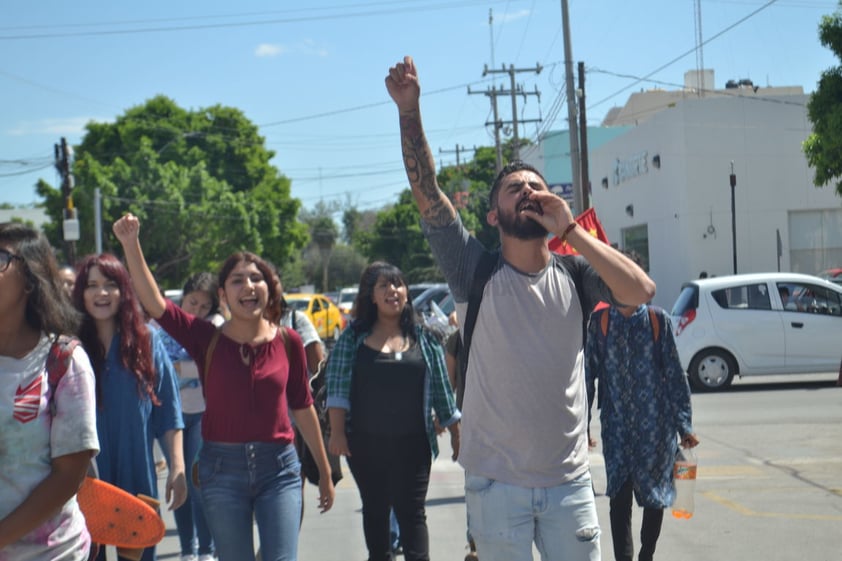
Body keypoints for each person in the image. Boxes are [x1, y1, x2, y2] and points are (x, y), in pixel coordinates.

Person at [385, 56, 656, 561]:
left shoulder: (576, 275)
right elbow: (427, 194)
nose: (529, 191)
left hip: (569, 484)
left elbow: (640, 291)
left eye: (536, 185)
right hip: (495, 487)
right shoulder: (474, 270)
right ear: (494, 215)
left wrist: (571, 231)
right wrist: (409, 109)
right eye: (515, 189)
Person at [113, 213, 335, 561]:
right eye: (237, 280)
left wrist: (324, 472)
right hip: (221, 471)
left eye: (256, 278)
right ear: (223, 294)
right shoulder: (206, 338)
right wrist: (131, 243)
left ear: (269, 287)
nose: (248, 286)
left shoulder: (289, 341)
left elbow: (302, 406)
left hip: (280, 470)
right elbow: (155, 303)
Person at [326, 261, 460, 561]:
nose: (393, 291)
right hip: (365, 446)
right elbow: (337, 389)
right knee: (375, 512)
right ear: (371, 296)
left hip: (414, 446)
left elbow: (441, 388)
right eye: (384, 286)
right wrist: (336, 434)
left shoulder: (424, 338)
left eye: (398, 284)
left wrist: (455, 432)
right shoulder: (352, 338)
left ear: (407, 294)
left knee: (413, 514)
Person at [72, 253, 187, 561]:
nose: (101, 293)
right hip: (84, 482)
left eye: (110, 284)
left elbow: (169, 413)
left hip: (138, 480)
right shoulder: (68, 346)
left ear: (124, 290)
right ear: (80, 293)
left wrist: (177, 466)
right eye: (92, 285)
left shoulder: (147, 341)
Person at [0, 223, 99, 560]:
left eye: (0, 258)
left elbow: (68, 477)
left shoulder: (64, 362)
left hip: (53, 552)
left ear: (30, 279)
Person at [585, 304, 699, 561]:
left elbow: (674, 373)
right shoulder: (601, 322)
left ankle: (647, 554)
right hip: (616, 430)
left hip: (656, 429)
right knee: (619, 499)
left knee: (654, 497)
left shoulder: (657, 320)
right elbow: (587, 376)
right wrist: (582, 425)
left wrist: (684, 425)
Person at [158, 272, 223, 561]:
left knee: (198, 484)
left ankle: (206, 549)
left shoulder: (217, 327)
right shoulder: (163, 323)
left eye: (204, 307)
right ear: (182, 297)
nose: (196, 311)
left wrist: (180, 370)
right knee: (177, 479)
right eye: (192, 303)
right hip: (170, 417)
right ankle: (187, 550)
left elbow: (212, 367)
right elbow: (154, 366)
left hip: (201, 415)